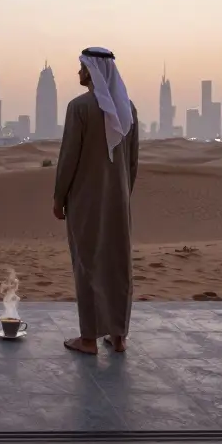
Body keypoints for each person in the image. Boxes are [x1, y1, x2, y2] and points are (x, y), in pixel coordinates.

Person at [53, 47, 139, 355]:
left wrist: (59, 198)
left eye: (81, 68)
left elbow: (68, 160)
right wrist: (122, 195)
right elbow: (132, 163)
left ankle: (88, 338)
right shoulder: (127, 108)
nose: (78, 73)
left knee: (87, 264)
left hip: (85, 202)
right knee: (118, 264)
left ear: (91, 71)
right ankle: (118, 336)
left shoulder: (80, 108)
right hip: (118, 201)